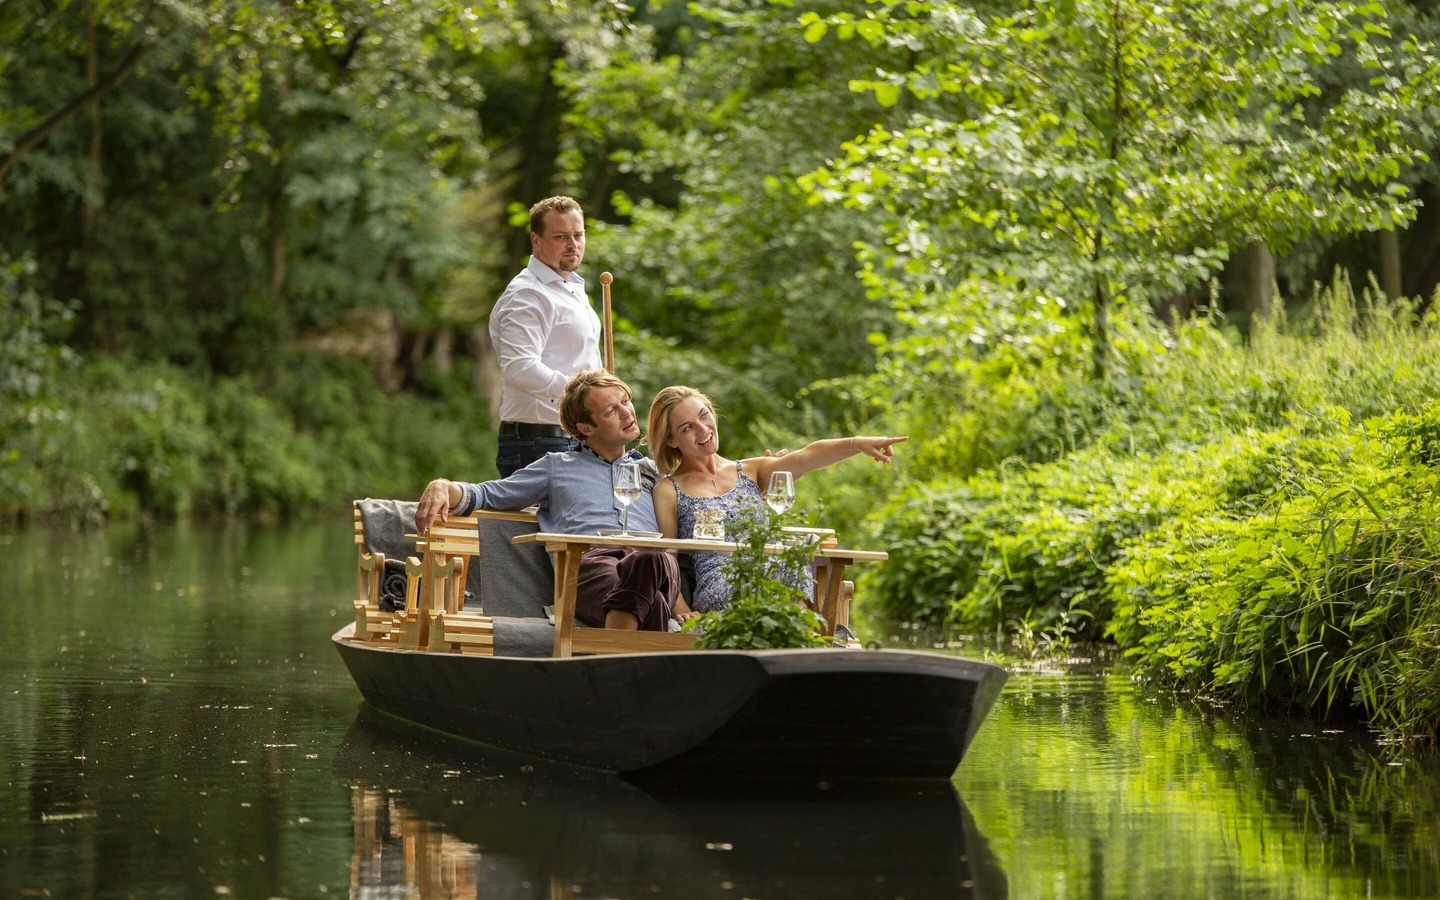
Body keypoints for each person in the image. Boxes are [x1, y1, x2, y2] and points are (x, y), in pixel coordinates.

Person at [417, 370, 698, 631]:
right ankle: (637, 636)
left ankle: (618, 643)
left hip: (654, 564)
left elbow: (703, 498)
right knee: (650, 597)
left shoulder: (654, 473)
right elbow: (488, 494)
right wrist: (442, 486)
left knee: (652, 558)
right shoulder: (556, 467)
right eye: (612, 410)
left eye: (625, 401)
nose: (627, 413)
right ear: (586, 428)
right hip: (591, 565)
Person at [645, 385, 907, 614]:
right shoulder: (669, 489)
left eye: (704, 415)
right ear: (671, 440)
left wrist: (857, 444)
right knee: (782, 571)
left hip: (770, 571)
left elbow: (807, 456)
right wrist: (680, 608)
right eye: (687, 427)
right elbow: (668, 559)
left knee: (794, 561)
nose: (703, 429)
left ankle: (798, 640)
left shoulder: (752, 470)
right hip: (720, 582)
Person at [489, 195, 604, 476]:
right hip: (540, 441)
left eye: (578, 235)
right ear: (536, 240)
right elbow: (519, 369)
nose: (573, 244)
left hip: (569, 437)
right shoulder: (527, 294)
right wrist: (585, 397)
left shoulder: (569, 287)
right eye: (561, 236)